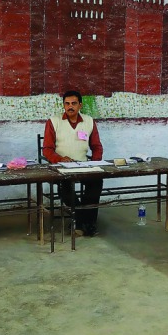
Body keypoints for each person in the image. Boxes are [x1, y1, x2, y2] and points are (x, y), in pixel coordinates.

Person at [42, 90, 104, 237]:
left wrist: (94, 163)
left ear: (80, 105)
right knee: (65, 189)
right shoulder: (54, 121)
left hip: (83, 165)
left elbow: (97, 146)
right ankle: (86, 223)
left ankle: (83, 224)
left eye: (74, 103)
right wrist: (60, 159)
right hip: (61, 167)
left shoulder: (89, 121)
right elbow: (47, 150)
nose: (70, 107)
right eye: (67, 103)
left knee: (96, 182)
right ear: (63, 105)